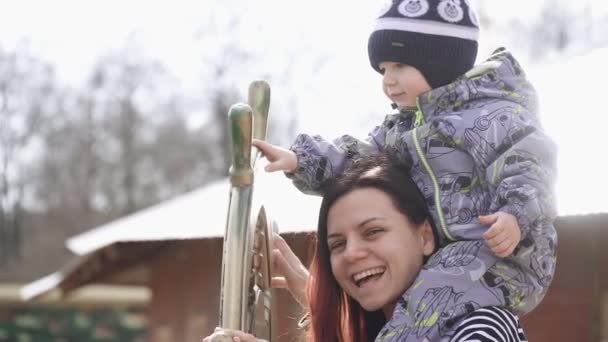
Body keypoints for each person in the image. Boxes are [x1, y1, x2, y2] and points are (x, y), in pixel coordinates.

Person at [252, 0, 557, 340]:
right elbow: (359, 163)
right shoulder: (403, 131)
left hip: (501, 251)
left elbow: (529, 167)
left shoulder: (494, 116)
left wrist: (515, 215)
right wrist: (300, 160)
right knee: (424, 302)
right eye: (383, 70)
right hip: (449, 259)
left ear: (439, 60)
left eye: (399, 66)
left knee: (425, 306)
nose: (388, 81)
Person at [203, 153, 529, 341]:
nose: (352, 253)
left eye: (373, 231)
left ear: (425, 236)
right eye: (338, 244)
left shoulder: (482, 325)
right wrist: (316, 297)